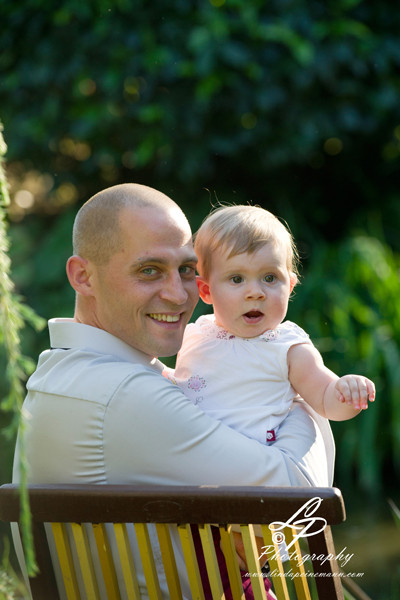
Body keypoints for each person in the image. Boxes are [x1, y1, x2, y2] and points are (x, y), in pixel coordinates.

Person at [12, 185, 335, 600]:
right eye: (149, 270)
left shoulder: (57, 377)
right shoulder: (125, 396)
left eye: (185, 269)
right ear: (82, 276)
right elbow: (300, 501)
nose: (179, 294)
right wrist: (305, 390)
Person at [173, 204, 375, 446]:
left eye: (270, 278)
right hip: (191, 460)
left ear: (289, 286)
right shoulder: (196, 333)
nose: (255, 292)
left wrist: (345, 392)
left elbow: (324, 398)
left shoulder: (287, 348)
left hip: (252, 469)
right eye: (237, 279)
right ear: (206, 290)